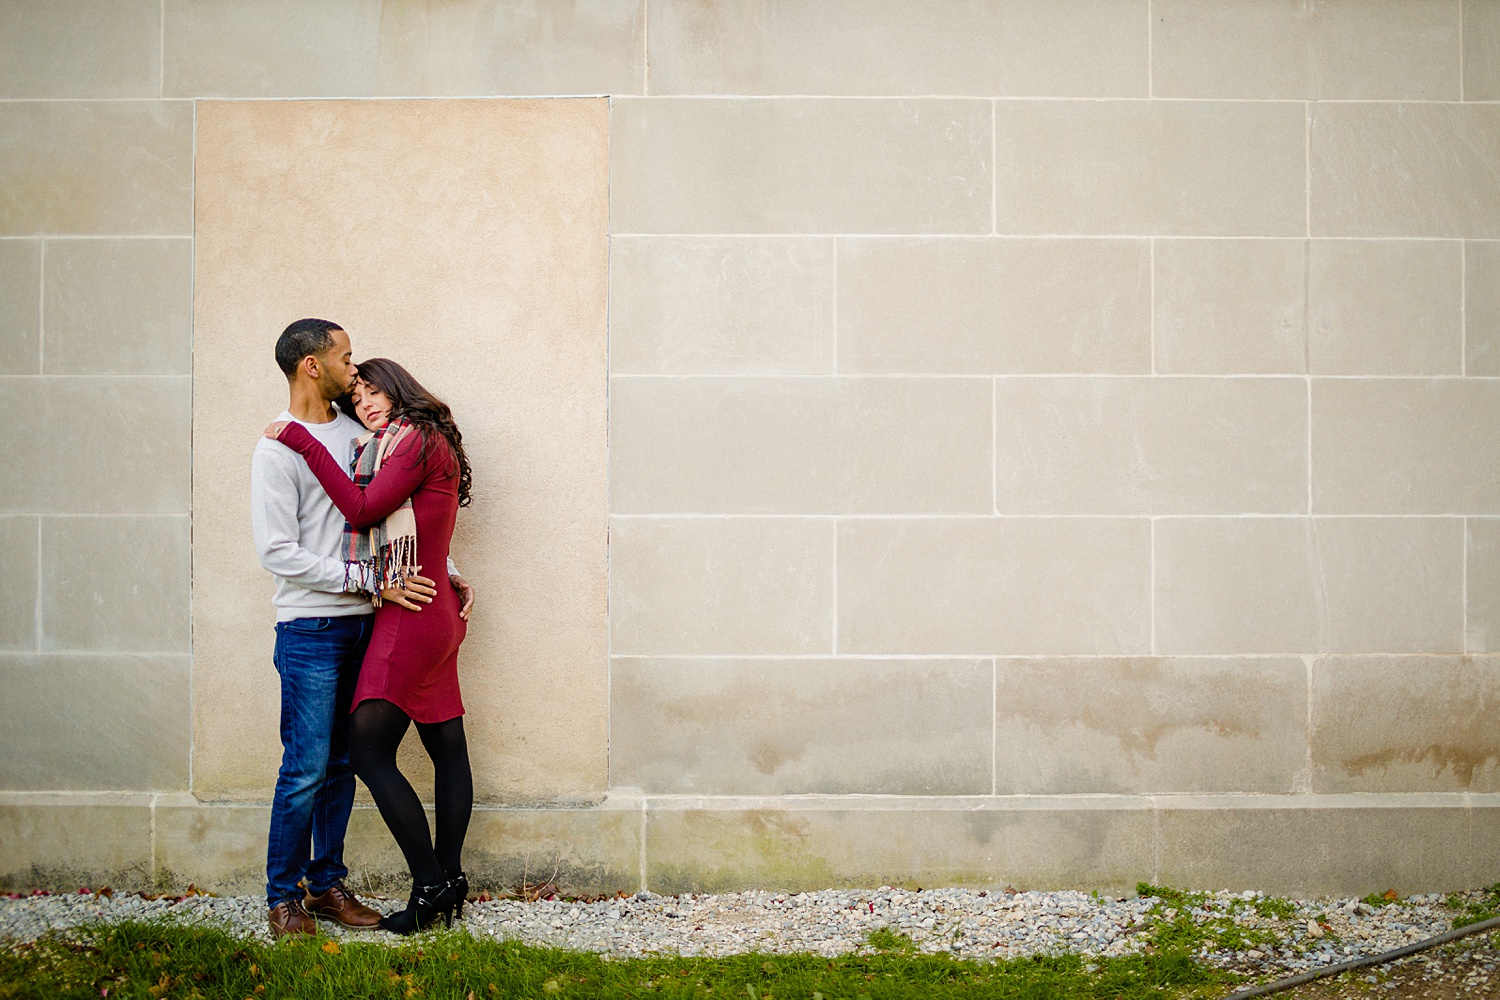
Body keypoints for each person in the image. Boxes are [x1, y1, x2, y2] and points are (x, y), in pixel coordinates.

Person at [250, 319, 474, 938]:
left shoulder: (365, 435)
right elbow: (277, 552)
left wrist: (444, 568)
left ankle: (326, 887)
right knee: (305, 767)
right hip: (314, 622)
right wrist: (368, 579)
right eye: (348, 364)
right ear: (313, 366)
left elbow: (397, 515)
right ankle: (283, 898)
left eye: (367, 378)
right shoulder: (277, 449)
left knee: (348, 761)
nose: (359, 381)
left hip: (372, 617)